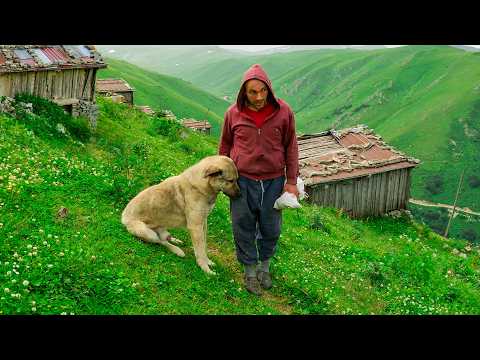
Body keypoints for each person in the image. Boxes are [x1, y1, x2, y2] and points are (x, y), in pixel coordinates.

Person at [218, 63, 299, 295]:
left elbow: (291, 146)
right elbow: (225, 145)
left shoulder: (283, 112)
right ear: (244, 91)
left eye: (262, 91)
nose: (259, 97)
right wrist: (222, 176)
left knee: (270, 228)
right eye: (253, 92)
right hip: (242, 181)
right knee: (243, 226)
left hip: (273, 181)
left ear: (269, 89)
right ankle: (250, 272)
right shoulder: (233, 113)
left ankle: (265, 268)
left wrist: (291, 181)